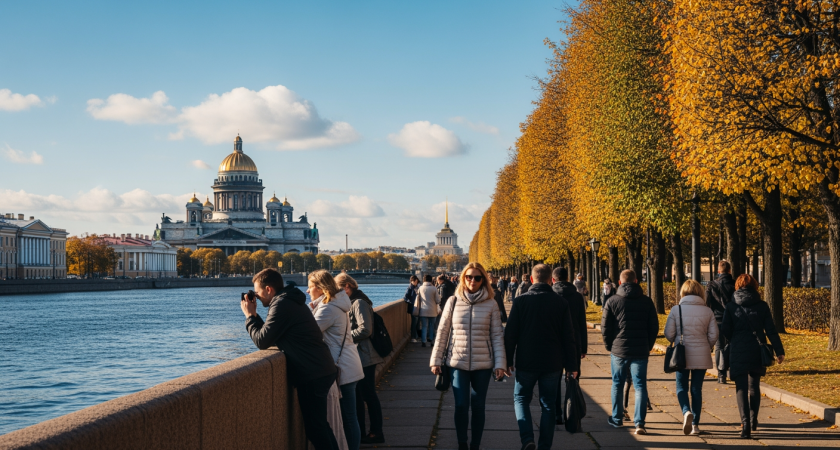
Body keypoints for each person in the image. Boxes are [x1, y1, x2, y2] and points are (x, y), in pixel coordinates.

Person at [241, 268, 339, 450]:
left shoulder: (281, 304)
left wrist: (249, 317)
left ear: (269, 289)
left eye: (257, 292)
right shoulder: (289, 300)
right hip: (319, 368)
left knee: (316, 430)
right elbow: (271, 333)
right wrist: (255, 316)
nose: (256, 296)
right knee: (320, 427)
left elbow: (262, 341)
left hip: (313, 372)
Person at [431, 262, 506, 450]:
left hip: (483, 364)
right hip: (457, 362)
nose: (473, 280)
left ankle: (475, 445)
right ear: (463, 278)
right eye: (469, 277)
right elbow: (442, 332)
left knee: (479, 407)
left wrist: (500, 364)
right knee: (461, 405)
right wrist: (436, 360)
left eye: (477, 277)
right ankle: (462, 443)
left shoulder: (491, 303)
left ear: (483, 280)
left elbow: (497, 335)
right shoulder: (453, 301)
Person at [505, 264, 579, 450]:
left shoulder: (520, 301)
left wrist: (506, 361)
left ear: (531, 279)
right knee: (548, 405)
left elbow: (511, 334)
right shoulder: (561, 303)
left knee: (521, 399)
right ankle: (545, 445)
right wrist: (572, 365)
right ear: (550, 280)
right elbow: (568, 338)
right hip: (552, 362)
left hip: (526, 360)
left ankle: (527, 438)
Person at [308, 270, 365, 450]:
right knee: (350, 417)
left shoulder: (328, 308)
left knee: (348, 417)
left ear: (319, 288)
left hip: (342, 367)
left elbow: (309, 334)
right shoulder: (336, 304)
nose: (308, 291)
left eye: (310, 287)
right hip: (349, 363)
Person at [722, 274, 785, 438]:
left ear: (737, 286)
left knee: (741, 388)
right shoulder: (762, 305)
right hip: (757, 349)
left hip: (737, 349)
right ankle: (754, 418)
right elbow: (771, 329)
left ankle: (745, 425)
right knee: (754, 386)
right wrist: (779, 351)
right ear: (755, 286)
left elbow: (725, 331)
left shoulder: (731, 306)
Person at [601, 269, 658, 435]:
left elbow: (605, 327)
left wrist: (609, 345)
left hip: (619, 349)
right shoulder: (647, 302)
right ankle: (639, 423)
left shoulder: (612, 301)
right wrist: (648, 345)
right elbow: (653, 326)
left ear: (619, 282)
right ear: (636, 281)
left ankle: (617, 418)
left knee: (617, 384)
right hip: (640, 349)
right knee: (640, 386)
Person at [335, 274, 386, 445]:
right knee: (360, 396)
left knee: (368, 395)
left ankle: (376, 432)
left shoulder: (359, 303)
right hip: (360, 355)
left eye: (339, 289)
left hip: (365, 356)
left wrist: (345, 337)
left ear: (347, 287)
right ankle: (363, 433)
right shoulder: (354, 301)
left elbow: (366, 330)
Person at [664, 280, 718, 436]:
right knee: (696, 389)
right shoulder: (707, 311)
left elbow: (669, 333)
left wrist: (676, 340)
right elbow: (714, 334)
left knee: (681, 387)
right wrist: (705, 345)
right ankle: (695, 425)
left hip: (681, 354)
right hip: (701, 353)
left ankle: (686, 411)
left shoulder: (676, 310)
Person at [550, 266, 587, 425]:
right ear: (568, 278)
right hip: (574, 342)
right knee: (572, 378)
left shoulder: (551, 295)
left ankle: (557, 414)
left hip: (555, 343)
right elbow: (581, 323)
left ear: (553, 279)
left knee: (554, 379)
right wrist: (583, 347)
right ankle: (572, 413)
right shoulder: (577, 297)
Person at [706, 260, 736, 384]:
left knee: (719, 346)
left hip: (717, 319)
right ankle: (731, 369)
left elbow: (707, 303)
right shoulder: (735, 284)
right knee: (732, 345)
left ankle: (721, 374)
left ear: (719, 271)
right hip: (732, 319)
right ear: (729, 270)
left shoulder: (712, 285)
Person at [413, 274, 441, 347]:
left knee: (424, 326)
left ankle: (423, 341)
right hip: (432, 310)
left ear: (424, 280)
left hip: (423, 310)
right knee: (432, 326)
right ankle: (431, 340)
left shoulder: (420, 288)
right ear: (431, 280)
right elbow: (438, 300)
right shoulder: (434, 288)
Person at [404, 275, 421, 343]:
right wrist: (410, 302)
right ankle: (413, 336)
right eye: (415, 281)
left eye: (417, 281)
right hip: (413, 307)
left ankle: (416, 336)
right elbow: (405, 297)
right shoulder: (410, 288)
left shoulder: (416, 287)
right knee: (414, 322)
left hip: (416, 307)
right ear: (412, 281)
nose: (416, 282)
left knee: (417, 322)